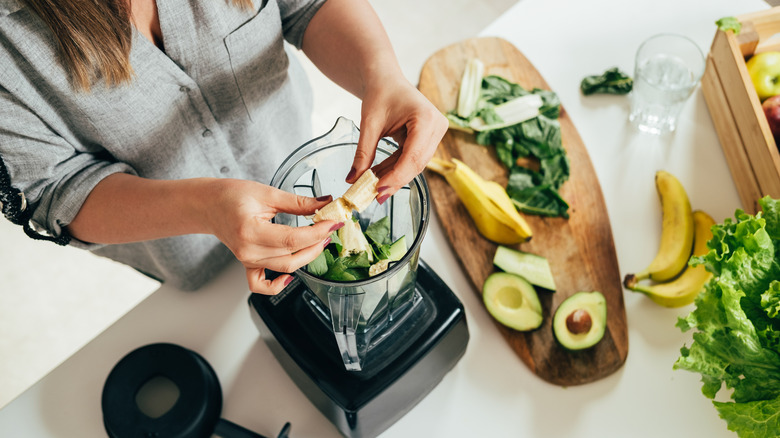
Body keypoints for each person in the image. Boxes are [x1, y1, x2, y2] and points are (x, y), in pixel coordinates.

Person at [0, 0, 448, 294]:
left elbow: (307, 5)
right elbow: (54, 189)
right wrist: (205, 208)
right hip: (184, 251)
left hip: (288, 153)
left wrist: (381, 72)